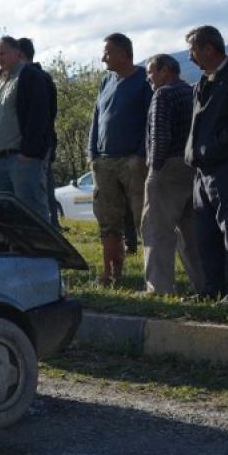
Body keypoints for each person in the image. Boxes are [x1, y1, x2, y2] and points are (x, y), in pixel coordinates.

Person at [88, 33, 153, 286]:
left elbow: (151, 119)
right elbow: (97, 117)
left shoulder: (143, 80)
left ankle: (154, 276)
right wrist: (92, 153)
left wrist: (140, 154)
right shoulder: (106, 81)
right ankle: (110, 273)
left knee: (142, 220)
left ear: (125, 54)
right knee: (107, 220)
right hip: (103, 162)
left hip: (132, 162)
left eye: (108, 52)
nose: (103, 57)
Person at [140, 54, 203, 295]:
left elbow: (160, 136)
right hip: (192, 167)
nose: (148, 78)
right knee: (191, 233)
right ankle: (203, 286)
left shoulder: (163, 94)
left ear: (165, 70)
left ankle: (159, 289)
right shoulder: (191, 91)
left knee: (157, 230)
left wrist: (154, 168)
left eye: (150, 72)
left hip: (166, 167)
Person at [184, 25, 228, 299]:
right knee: (205, 232)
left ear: (209, 48)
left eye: (193, 50)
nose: (190, 57)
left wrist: (212, 148)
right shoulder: (202, 82)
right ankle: (211, 289)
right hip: (201, 171)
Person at [0, 36, 53, 221]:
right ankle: (17, 250)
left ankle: (40, 249)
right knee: (7, 214)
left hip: (22, 159)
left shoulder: (31, 77)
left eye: (2, 53)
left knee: (31, 210)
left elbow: (39, 117)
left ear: (17, 53)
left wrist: (28, 152)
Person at [19, 37, 62, 226]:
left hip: (37, 148)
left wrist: (29, 148)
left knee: (39, 195)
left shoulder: (38, 78)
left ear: (18, 54)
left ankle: (50, 233)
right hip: (35, 147)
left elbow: (41, 116)